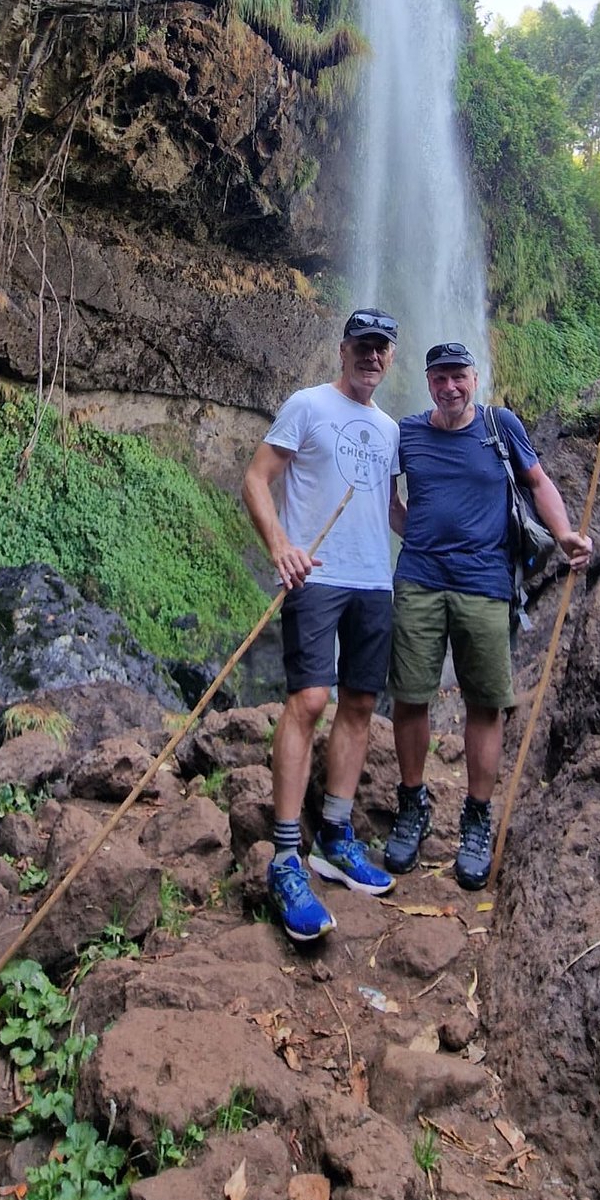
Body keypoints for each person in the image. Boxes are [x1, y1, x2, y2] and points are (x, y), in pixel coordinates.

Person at [385, 339, 593, 890]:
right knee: (410, 695)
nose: (450, 386)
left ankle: (476, 819)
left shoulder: (501, 425)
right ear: (428, 382)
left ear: (474, 379)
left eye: (459, 376)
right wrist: (418, 536)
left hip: (485, 584)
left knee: (484, 703)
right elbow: (388, 501)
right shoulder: (407, 433)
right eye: (440, 377)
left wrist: (566, 534)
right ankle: (412, 804)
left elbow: (538, 482)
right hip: (419, 581)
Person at [242, 309, 401, 943]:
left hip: (375, 580)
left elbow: (394, 511)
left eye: (381, 348)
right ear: (343, 350)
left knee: (359, 703)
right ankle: (286, 855)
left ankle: (335, 835)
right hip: (317, 575)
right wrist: (281, 545)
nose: (371, 356)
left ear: (391, 356)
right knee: (309, 700)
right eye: (362, 345)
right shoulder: (307, 405)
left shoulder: (390, 428)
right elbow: (256, 479)